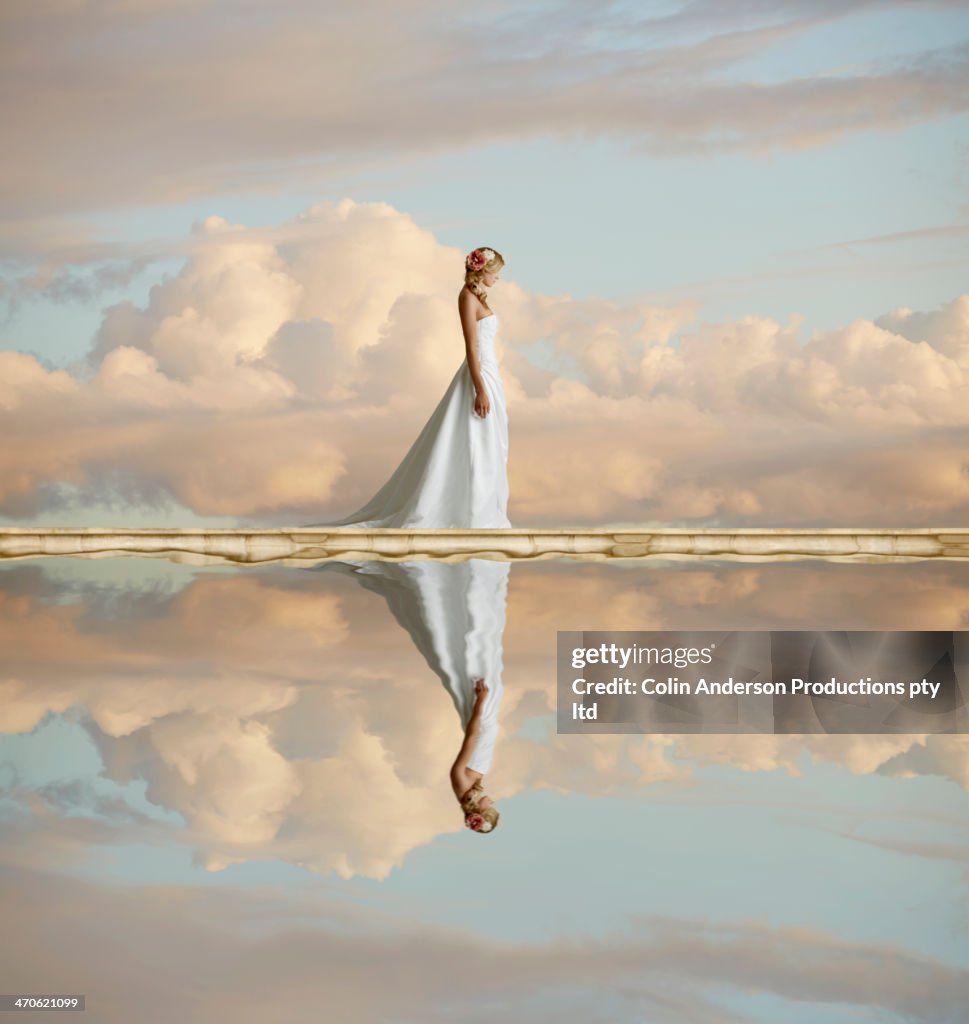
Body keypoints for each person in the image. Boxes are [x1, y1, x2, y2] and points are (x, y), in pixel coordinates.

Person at [306, 246, 510, 528]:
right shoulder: (466, 298)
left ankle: (484, 510)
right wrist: (480, 388)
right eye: (495, 272)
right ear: (482, 270)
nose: (498, 278)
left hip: (491, 372)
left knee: (489, 441)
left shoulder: (478, 298)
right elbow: (471, 349)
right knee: (475, 439)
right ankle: (469, 513)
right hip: (480, 374)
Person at [451, 680, 501, 833]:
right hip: (487, 721)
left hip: (482, 716)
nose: (491, 802)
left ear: (480, 811)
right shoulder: (471, 789)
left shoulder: (462, 782)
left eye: (490, 807)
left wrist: (480, 700)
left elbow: (471, 738)